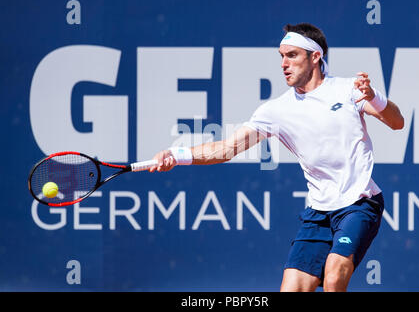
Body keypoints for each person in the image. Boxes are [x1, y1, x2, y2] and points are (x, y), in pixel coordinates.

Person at [148, 23, 404, 292]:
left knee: (333, 276)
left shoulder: (349, 90)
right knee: (291, 288)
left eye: (292, 55)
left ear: (315, 57)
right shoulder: (276, 111)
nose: (284, 63)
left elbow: (397, 122)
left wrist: (374, 98)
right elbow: (226, 149)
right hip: (318, 211)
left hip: (359, 202)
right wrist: (177, 155)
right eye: (281, 56)